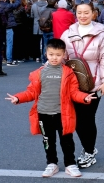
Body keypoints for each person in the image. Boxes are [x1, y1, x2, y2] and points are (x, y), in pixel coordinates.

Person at [5, 38, 95, 178]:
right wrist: (18, 98)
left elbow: (73, 92)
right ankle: (51, 163)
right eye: (51, 54)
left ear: (64, 55)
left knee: (67, 141)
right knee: (48, 141)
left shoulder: (68, 73)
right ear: (46, 53)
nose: (54, 58)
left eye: (58, 55)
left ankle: (70, 164)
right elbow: (31, 92)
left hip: (63, 114)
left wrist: (84, 98)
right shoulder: (39, 73)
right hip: (43, 113)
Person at [60, 0, 104, 169]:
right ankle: (89, 148)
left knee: (87, 119)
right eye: (79, 12)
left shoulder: (102, 34)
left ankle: (89, 151)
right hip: (72, 85)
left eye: (86, 12)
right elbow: (60, 58)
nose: (83, 16)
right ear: (75, 13)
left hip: (94, 84)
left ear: (93, 14)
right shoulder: (67, 34)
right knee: (76, 119)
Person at [0, 0, 21, 66]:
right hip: (8, 26)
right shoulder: (7, 6)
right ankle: (9, 60)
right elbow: (17, 4)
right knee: (9, 43)